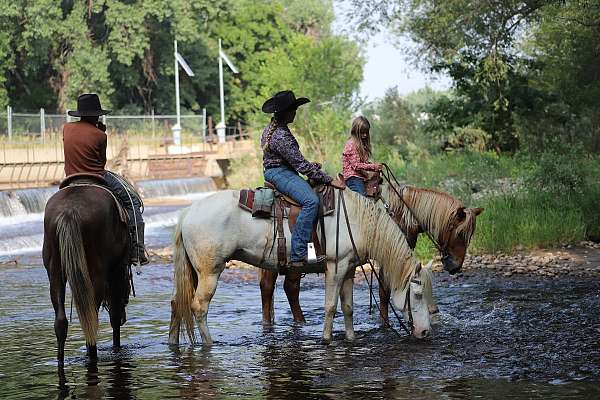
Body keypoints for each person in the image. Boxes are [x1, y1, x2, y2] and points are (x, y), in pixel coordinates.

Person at [260, 90, 345, 270]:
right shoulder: (281, 135)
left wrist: (309, 167)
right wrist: (329, 180)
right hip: (280, 173)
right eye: (293, 109)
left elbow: (295, 161)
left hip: (280, 170)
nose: (295, 113)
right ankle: (299, 253)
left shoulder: (274, 129)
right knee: (311, 201)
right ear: (287, 112)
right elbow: (301, 166)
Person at [63, 93, 148, 265]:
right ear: (96, 115)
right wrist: (99, 131)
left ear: (79, 114)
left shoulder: (66, 128)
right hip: (96, 176)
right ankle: (137, 250)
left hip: (70, 178)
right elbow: (101, 163)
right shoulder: (100, 135)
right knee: (132, 201)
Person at [342, 116, 383, 196]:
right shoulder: (351, 144)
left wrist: (373, 167)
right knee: (362, 199)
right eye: (362, 133)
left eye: (366, 132)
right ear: (355, 131)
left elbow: (362, 162)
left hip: (361, 176)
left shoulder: (361, 144)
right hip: (353, 177)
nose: (365, 135)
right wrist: (373, 166)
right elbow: (356, 165)